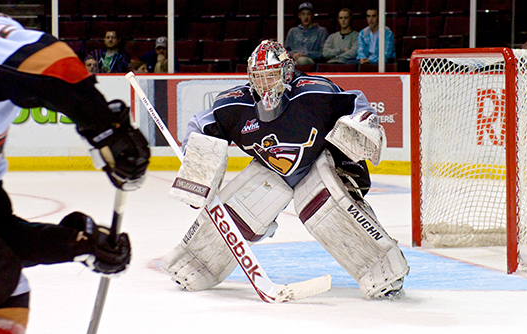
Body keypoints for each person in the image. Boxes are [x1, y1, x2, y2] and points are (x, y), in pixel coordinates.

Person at [0, 9, 150, 334]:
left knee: (4, 285)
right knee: (4, 298)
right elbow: (52, 62)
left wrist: (77, 245)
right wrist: (105, 129)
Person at [161, 40, 409, 300]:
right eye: (259, 78)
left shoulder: (314, 93)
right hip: (272, 172)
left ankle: (385, 271)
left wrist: (364, 122)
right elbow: (201, 126)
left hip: (321, 162)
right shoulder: (235, 106)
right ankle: (194, 263)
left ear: (287, 73)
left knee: (322, 204)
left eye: (271, 76)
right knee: (243, 207)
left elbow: (355, 103)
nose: (265, 85)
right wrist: (197, 163)